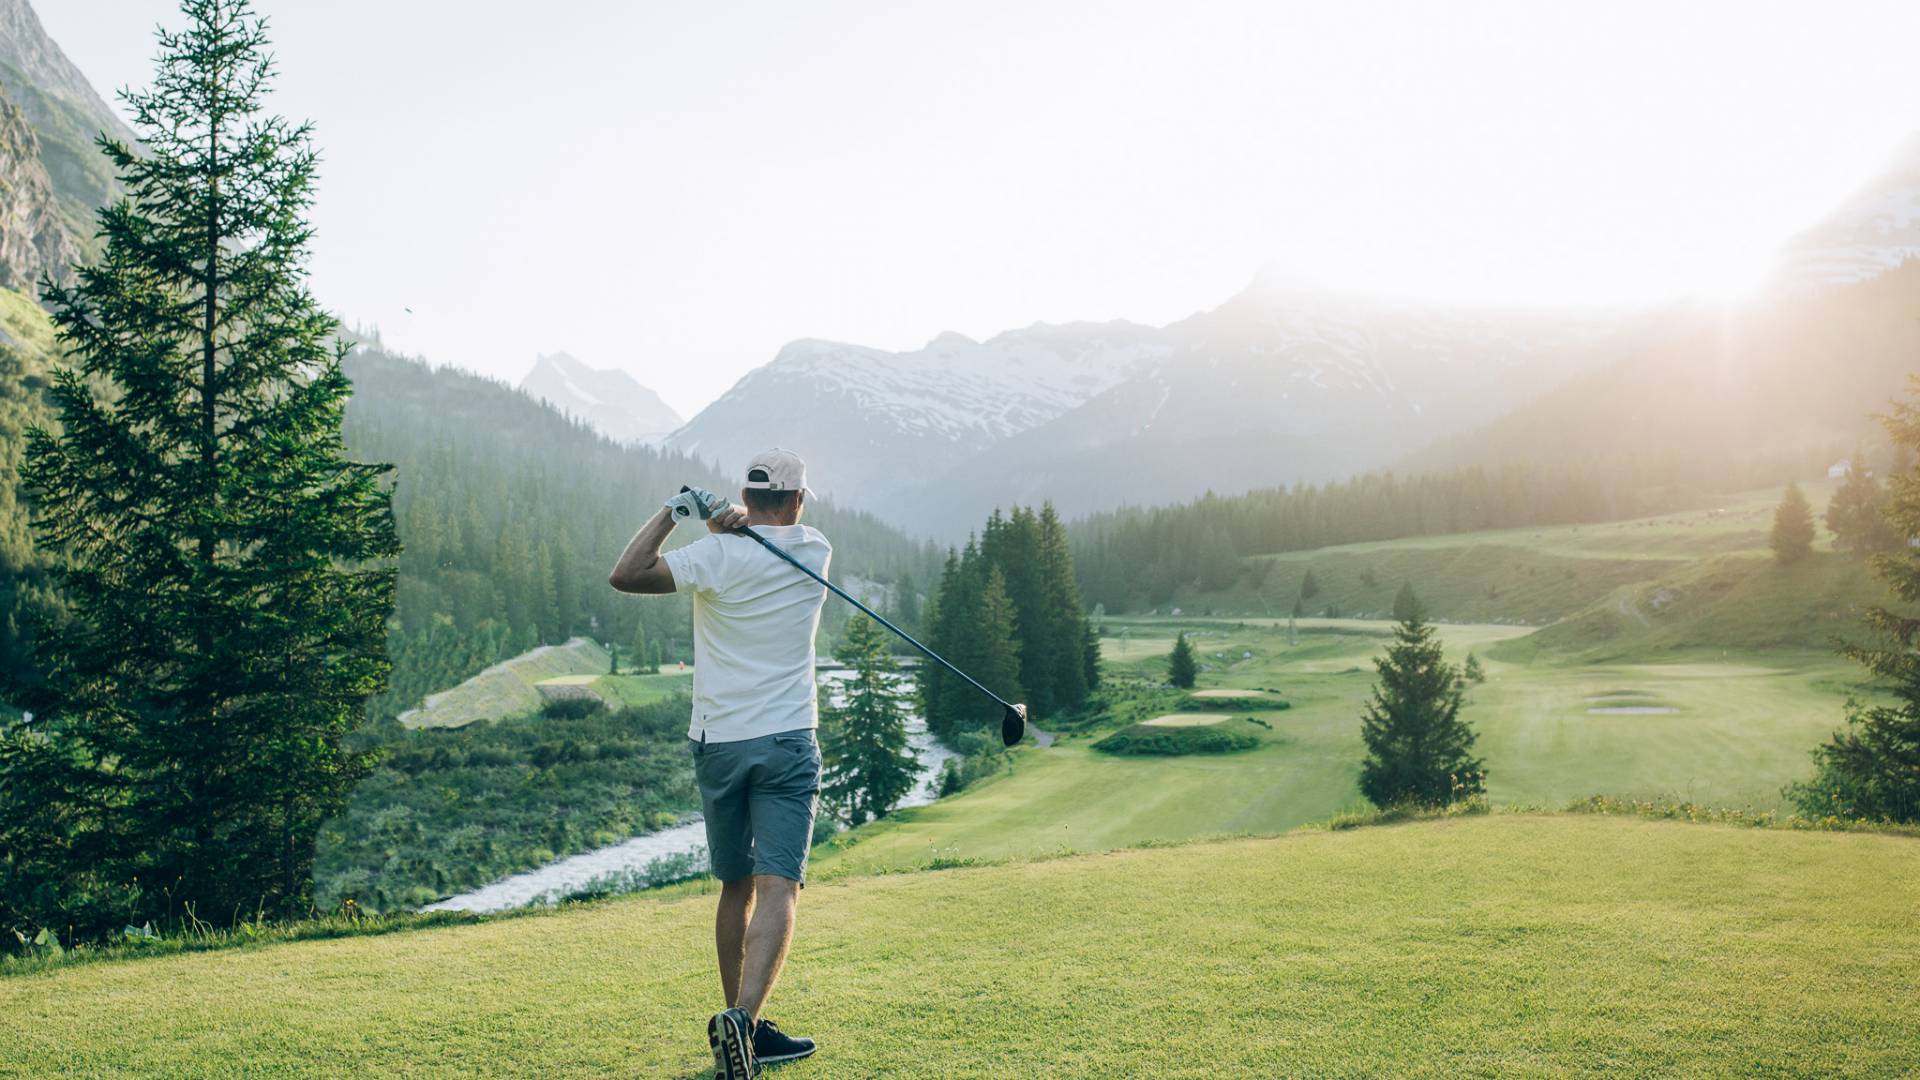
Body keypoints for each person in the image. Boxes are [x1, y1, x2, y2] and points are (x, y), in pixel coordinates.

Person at [608, 448, 829, 1079]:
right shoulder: (813, 549)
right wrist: (729, 522)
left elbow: (626, 574)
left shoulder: (713, 556)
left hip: (718, 742)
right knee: (778, 885)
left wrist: (675, 512)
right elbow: (761, 541)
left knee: (736, 886)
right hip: (786, 740)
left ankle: (743, 1029)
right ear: (797, 500)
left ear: (747, 494)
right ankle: (744, 1024)